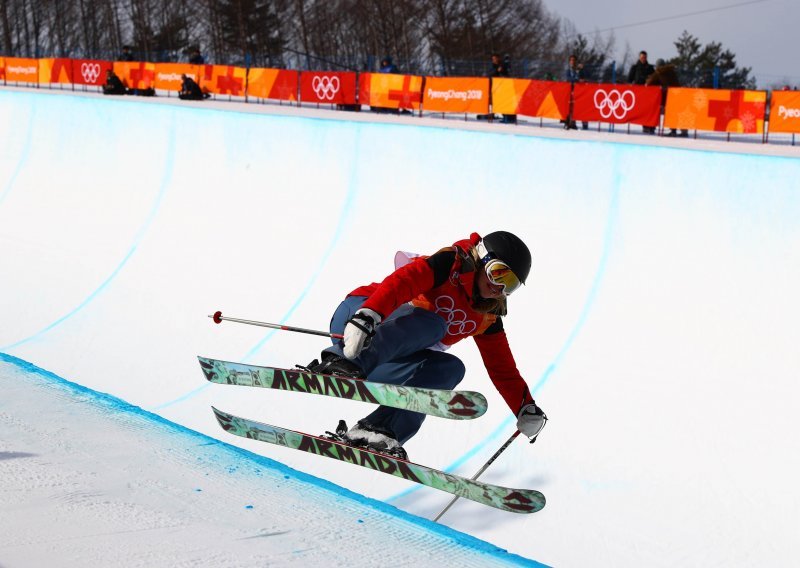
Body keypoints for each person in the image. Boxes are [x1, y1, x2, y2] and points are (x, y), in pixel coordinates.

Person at [304, 231, 548, 459]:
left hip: (387, 358)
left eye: (511, 284)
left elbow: (502, 369)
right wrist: (369, 315)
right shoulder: (450, 264)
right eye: (498, 273)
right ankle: (340, 362)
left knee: (451, 368)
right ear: (482, 258)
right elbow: (404, 282)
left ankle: (379, 430)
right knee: (433, 325)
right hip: (361, 320)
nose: (500, 288)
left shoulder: (487, 315)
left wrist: (525, 408)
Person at [645, 59, 689, 137]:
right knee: (678, 112)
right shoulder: (671, 71)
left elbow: (649, 82)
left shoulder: (659, 72)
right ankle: (684, 131)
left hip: (668, 95)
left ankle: (672, 131)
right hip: (678, 93)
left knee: (669, 113)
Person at [628, 51, 657, 134]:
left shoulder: (650, 68)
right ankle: (645, 126)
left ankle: (650, 126)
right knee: (642, 111)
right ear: (639, 57)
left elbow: (654, 79)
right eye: (642, 57)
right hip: (638, 93)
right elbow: (629, 79)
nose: (643, 59)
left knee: (649, 110)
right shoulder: (635, 67)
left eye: (644, 57)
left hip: (648, 93)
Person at [488, 53, 517, 124]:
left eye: (495, 59)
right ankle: (506, 116)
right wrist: (497, 71)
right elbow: (491, 74)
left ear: (498, 58)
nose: (494, 60)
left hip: (504, 85)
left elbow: (507, 72)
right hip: (497, 86)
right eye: (493, 59)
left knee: (506, 102)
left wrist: (503, 68)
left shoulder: (503, 65)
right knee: (500, 103)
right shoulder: (493, 66)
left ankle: (510, 118)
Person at [565, 54, 589, 130]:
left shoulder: (579, 69)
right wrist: (577, 80)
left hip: (580, 91)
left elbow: (585, 77)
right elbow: (568, 78)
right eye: (571, 60)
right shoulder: (568, 69)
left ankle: (585, 124)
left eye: (574, 60)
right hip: (571, 90)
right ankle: (572, 123)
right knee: (571, 108)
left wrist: (582, 69)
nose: (572, 62)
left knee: (582, 107)